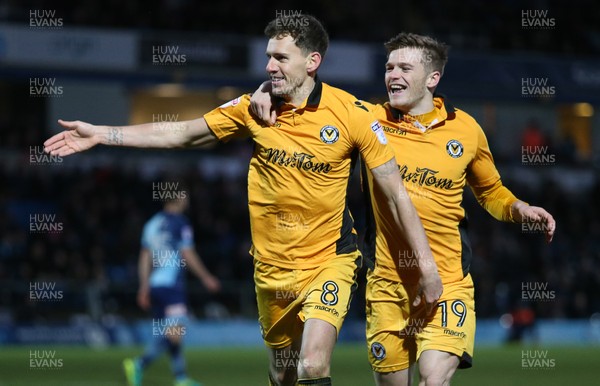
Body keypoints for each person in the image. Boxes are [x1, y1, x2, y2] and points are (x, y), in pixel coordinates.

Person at [43, 15, 443, 386]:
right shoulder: (252, 109)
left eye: (281, 58)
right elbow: (180, 133)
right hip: (272, 268)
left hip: (330, 259)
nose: (270, 66)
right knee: (282, 372)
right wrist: (102, 134)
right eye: (268, 57)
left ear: (312, 61)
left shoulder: (353, 115)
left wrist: (427, 268)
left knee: (314, 364)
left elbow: (396, 196)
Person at [250, 32, 556, 386]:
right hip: (387, 288)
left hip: (447, 281)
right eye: (389, 67)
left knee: (433, 380)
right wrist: (267, 89)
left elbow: (490, 192)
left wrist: (520, 208)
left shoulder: (467, 129)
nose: (393, 74)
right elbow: (312, 95)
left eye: (404, 67)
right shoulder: (367, 120)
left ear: (432, 78)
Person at [123, 195, 221, 386]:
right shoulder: (180, 222)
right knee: (175, 332)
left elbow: (144, 257)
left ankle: (181, 377)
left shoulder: (151, 224)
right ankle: (139, 364)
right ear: (179, 198)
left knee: (172, 333)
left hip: (155, 285)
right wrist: (206, 277)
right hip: (171, 285)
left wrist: (143, 286)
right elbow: (187, 252)